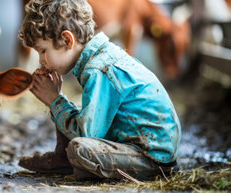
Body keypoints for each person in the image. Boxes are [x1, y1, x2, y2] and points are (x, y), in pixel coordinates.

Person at [18, 0, 181, 180]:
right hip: (143, 146)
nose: (41, 61)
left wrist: (55, 100)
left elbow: (88, 135)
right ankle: (63, 159)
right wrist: (57, 99)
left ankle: (69, 163)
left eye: (42, 51)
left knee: (80, 149)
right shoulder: (102, 57)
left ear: (67, 40)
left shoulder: (98, 69)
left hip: (150, 157)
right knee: (77, 115)